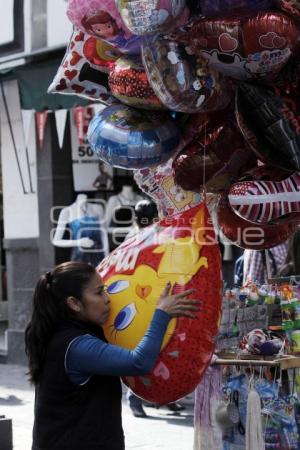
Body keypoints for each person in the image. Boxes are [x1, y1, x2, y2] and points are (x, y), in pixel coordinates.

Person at [25, 261, 200, 450]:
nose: (107, 298)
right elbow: (139, 362)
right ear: (74, 303)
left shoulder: (63, 333)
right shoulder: (76, 346)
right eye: (99, 292)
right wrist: (162, 314)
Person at [126, 200, 186, 417]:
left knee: (164, 347)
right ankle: (134, 399)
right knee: (142, 346)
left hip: (161, 297)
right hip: (141, 300)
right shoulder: (133, 238)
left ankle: (166, 397)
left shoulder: (160, 234)